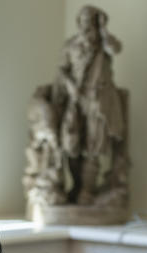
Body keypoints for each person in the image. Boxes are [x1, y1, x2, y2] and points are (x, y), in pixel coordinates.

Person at [54, 4, 126, 205]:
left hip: (97, 100)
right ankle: (76, 187)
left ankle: (87, 191)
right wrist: (70, 88)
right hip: (75, 99)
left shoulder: (103, 45)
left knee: (94, 145)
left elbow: (115, 47)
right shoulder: (71, 45)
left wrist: (104, 30)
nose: (87, 26)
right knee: (72, 143)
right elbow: (62, 70)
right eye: (84, 21)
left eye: (91, 22)